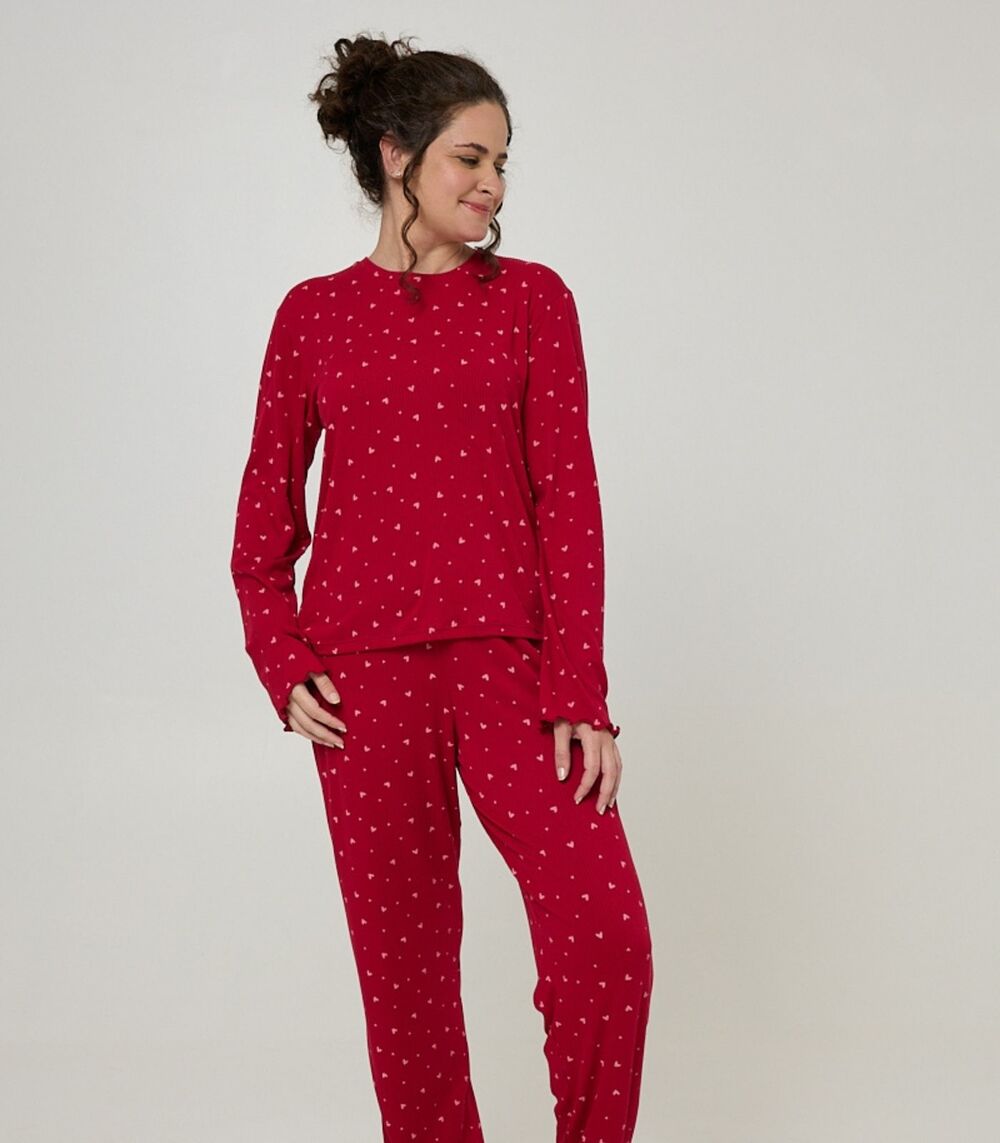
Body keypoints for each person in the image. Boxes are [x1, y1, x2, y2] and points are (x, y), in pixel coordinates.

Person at [229, 32, 654, 1143]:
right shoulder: (313, 315)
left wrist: (580, 689)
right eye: (470, 158)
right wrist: (281, 658)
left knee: (606, 936)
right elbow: (262, 524)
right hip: (363, 686)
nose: (492, 184)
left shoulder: (533, 302)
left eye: (502, 162)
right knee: (407, 989)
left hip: (514, 671)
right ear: (396, 154)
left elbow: (569, 501)